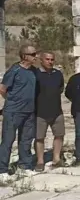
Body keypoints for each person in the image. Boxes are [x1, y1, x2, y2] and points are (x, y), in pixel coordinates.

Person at [0, 45, 38, 179]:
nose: (36, 56)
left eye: (36, 53)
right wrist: (12, 101)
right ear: (24, 56)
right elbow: (3, 89)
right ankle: (2, 170)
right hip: (13, 112)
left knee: (26, 140)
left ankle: (24, 166)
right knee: (8, 140)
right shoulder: (14, 70)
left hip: (30, 111)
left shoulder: (34, 71)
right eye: (33, 54)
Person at [33, 51, 66, 171]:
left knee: (59, 135)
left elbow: (61, 88)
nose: (50, 62)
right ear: (41, 60)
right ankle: (40, 161)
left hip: (57, 111)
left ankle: (56, 159)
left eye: (52, 59)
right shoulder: (35, 74)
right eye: (47, 59)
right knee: (39, 137)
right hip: (40, 112)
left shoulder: (57, 74)